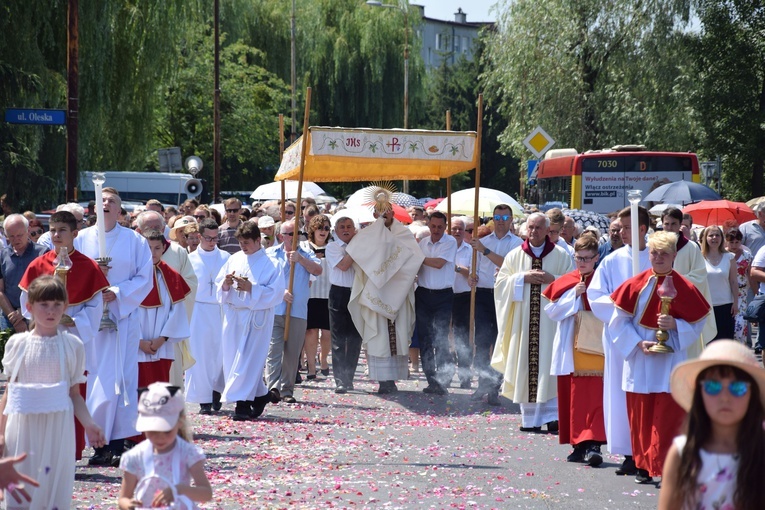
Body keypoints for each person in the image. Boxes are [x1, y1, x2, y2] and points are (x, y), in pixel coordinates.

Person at [609, 231, 711, 484]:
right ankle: (643, 465)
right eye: (654, 253)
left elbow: (697, 324)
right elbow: (617, 323)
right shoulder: (635, 284)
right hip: (640, 358)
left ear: (674, 256)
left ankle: (666, 467)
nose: (658, 258)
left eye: (664, 253)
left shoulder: (685, 287)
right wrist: (637, 342)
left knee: (668, 416)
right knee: (640, 415)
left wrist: (676, 325)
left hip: (669, 360)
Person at [0, 276, 105, 508]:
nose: (51, 311)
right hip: (22, 425)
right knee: (21, 486)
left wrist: (89, 424)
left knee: (52, 485)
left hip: (57, 426)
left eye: (57, 304)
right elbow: (9, 393)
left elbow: (74, 394)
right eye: (44, 305)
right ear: (29, 307)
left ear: (65, 307)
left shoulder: (72, 346)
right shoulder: (17, 344)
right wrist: (0, 433)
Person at [18, 211, 109, 461]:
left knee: (73, 392)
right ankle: (42, 452)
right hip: (45, 339)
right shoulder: (38, 264)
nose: (56, 235)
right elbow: (26, 300)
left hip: (75, 338)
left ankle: (71, 452)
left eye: (62, 230)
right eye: (53, 229)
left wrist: (75, 320)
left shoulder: (88, 266)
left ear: (75, 234)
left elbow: (96, 307)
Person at [74, 187, 154, 467]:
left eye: (112, 202)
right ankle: (97, 443)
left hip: (122, 320)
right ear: (94, 208)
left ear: (120, 211)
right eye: (102, 200)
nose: (106, 204)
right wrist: (93, 281)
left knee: (121, 380)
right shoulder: (82, 239)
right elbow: (70, 274)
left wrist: (117, 292)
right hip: (91, 322)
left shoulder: (134, 241)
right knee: (95, 379)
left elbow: (145, 278)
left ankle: (118, 440)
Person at [659, 340, 765, 510]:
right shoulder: (682, 453)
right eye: (713, 386)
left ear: (752, 394)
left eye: (737, 387)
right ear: (699, 394)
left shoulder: (761, 449)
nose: (725, 397)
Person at [492, 212, 574, 429]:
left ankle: (552, 417)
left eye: (538, 228)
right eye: (530, 227)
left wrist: (552, 279)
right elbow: (500, 285)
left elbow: (573, 282)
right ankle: (530, 419)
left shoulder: (561, 255)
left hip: (551, 324)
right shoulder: (514, 255)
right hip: (523, 322)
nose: (534, 231)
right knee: (527, 364)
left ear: (548, 230)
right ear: (524, 229)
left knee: (550, 364)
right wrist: (521, 278)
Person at [587, 205, 652, 477]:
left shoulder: (656, 257)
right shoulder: (612, 261)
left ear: (642, 229)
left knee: (645, 393)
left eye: (627, 228)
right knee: (618, 392)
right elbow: (596, 295)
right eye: (620, 227)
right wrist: (621, 309)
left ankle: (646, 451)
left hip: (648, 336)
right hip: (618, 334)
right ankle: (628, 452)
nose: (621, 233)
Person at [347, 189, 424, 394]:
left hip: (398, 292)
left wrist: (392, 273)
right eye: (380, 211)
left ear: (393, 213)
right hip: (375, 291)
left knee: (397, 335)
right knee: (379, 335)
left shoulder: (404, 233)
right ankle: (383, 380)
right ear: (374, 214)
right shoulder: (366, 235)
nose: (384, 214)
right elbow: (357, 257)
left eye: (387, 211)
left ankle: (394, 379)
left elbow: (415, 259)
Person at [543, 235, 606, 467]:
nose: (582, 262)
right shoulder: (568, 280)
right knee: (573, 397)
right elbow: (552, 312)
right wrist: (574, 295)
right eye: (579, 258)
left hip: (596, 345)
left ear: (596, 258)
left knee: (594, 396)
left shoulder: (603, 280)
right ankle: (577, 445)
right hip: (570, 344)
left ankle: (594, 443)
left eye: (587, 258)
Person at [217, 222, 285, 421]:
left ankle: (242, 405)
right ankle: (262, 395)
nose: (243, 246)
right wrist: (226, 284)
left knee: (247, 360)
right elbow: (220, 284)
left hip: (256, 317)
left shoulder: (272, 263)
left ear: (258, 240)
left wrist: (252, 288)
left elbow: (277, 293)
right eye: (240, 243)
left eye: (246, 242)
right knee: (233, 358)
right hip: (234, 315)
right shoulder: (234, 258)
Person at [118, 383, 212, 509]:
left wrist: (179, 490)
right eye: (152, 431)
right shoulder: (135, 456)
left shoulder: (188, 453)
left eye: (166, 430)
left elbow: (206, 493)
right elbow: (123, 499)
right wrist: (128, 505)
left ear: (180, 422)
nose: (160, 437)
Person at [467, 205, 523, 404]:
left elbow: (507, 264)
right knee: (481, 343)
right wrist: (471, 277)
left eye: (504, 217)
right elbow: (474, 269)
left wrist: (485, 251)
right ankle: (483, 383)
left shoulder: (518, 244)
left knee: (501, 343)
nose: (500, 220)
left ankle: (494, 387)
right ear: (492, 219)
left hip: (504, 296)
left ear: (510, 220)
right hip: (483, 294)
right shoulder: (481, 242)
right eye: (497, 217)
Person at [265, 219, 321, 404]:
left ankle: (287, 389)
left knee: (292, 351)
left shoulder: (306, 252)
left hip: (297, 311)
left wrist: (301, 260)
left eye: (296, 233)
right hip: (275, 309)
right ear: (281, 236)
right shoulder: (270, 254)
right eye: (289, 234)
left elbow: (318, 270)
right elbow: (263, 279)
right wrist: (280, 293)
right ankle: (272, 388)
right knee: (274, 349)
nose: (293, 237)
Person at [134, 230, 191, 411]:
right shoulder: (133, 276)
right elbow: (126, 310)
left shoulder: (171, 275)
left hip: (162, 345)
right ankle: (134, 434)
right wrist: (138, 341)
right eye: (148, 248)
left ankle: (156, 431)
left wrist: (162, 339)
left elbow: (178, 311)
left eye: (157, 248)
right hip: (136, 343)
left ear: (164, 248)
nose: (152, 252)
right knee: (137, 386)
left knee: (159, 387)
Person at [185, 219, 229, 414]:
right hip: (199, 311)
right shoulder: (190, 259)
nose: (213, 242)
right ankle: (203, 399)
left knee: (220, 354)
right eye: (209, 238)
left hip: (220, 310)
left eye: (215, 238)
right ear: (199, 237)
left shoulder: (226, 257)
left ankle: (216, 392)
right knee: (200, 355)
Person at [661, 207, 716, 354]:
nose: (670, 228)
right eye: (666, 224)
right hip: (660, 304)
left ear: (680, 225)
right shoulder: (656, 247)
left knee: (687, 351)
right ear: (661, 224)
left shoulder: (690, 247)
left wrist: (672, 281)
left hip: (684, 306)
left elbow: (700, 276)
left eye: (673, 224)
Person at [416, 211, 458, 394]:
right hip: (423, 294)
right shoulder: (423, 243)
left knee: (440, 338)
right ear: (428, 225)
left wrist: (418, 259)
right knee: (424, 338)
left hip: (443, 296)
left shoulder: (450, 242)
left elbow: (439, 263)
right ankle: (431, 379)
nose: (436, 230)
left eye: (440, 227)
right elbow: (416, 266)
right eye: (433, 226)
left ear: (445, 227)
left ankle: (443, 378)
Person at [326, 213, 362, 393]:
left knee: (355, 338)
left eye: (349, 227)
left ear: (355, 230)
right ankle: (340, 379)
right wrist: (356, 246)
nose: (346, 230)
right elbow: (344, 265)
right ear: (336, 231)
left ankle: (350, 377)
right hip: (339, 293)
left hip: (357, 293)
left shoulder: (359, 246)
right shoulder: (332, 247)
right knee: (338, 338)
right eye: (342, 227)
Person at [0, 214, 48, 333]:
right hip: (8, 318)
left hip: (37, 316)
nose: (16, 240)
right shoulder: (2, 256)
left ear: (28, 231)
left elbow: (47, 288)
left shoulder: (43, 253)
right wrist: (14, 317)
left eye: (19, 235)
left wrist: (23, 312)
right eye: (11, 236)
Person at [303, 214, 333, 379]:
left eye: (326, 228)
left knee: (327, 333)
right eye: (320, 228)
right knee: (311, 331)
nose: (323, 231)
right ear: (312, 230)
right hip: (310, 294)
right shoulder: (305, 247)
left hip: (328, 294)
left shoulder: (334, 247)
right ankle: (311, 366)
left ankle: (324, 358)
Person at [700, 225, 737, 341]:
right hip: (706, 307)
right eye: (711, 235)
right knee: (709, 343)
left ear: (722, 238)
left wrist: (736, 302)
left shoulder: (729, 257)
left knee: (725, 342)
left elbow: (733, 281)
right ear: (705, 238)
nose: (714, 238)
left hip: (726, 306)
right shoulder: (700, 257)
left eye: (717, 235)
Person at [450, 216, 474, 388]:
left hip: (464, 297)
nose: (457, 232)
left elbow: (473, 274)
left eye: (460, 229)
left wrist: (457, 268)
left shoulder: (470, 250)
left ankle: (465, 375)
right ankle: (446, 374)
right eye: (454, 229)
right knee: (444, 337)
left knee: (463, 338)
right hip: (444, 295)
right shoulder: (445, 247)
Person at [725, 228, 753, 344]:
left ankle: (740, 348)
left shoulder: (747, 255)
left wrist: (755, 293)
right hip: (727, 292)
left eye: (737, 242)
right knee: (728, 324)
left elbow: (750, 275)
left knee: (741, 324)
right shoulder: (724, 255)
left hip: (742, 293)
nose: (734, 245)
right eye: (731, 242)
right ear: (727, 241)